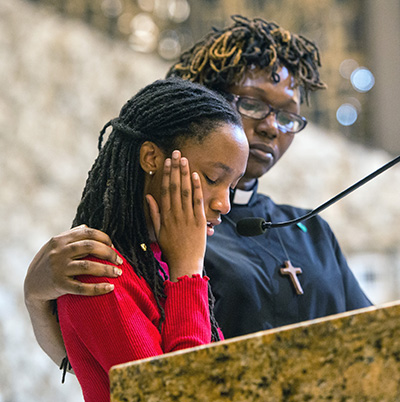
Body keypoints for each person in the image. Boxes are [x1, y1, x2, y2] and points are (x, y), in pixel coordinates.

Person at [24, 15, 371, 366]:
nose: (271, 127)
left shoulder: (311, 230)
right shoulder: (162, 234)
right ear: (207, 100)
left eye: (287, 116)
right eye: (252, 104)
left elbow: (374, 343)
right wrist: (37, 303)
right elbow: (104, 361)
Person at [27, 78, 248, 401]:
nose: (224, 204)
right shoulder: (97, 269)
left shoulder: (156, 263)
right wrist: (188, 271)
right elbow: (183, 395)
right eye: (213, 179)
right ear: (151, 158)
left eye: (233, 186)